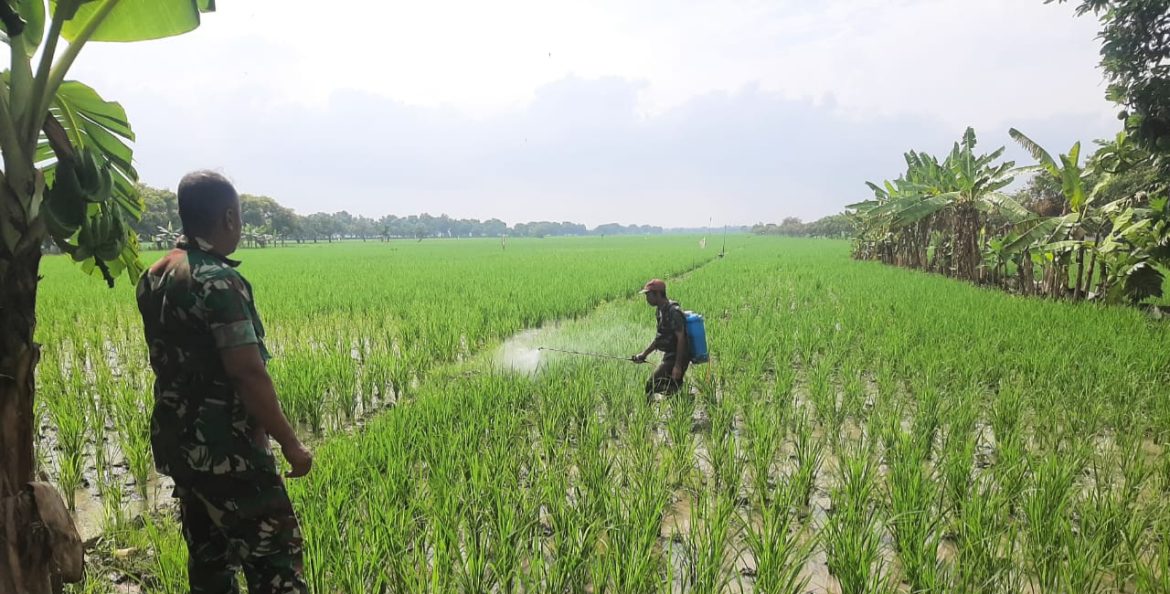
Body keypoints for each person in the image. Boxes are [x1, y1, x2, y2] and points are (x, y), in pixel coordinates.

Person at [136, 170, 312, 594]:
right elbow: (247, 371)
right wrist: (291, 443)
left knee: (210, 560)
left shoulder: (154, 275)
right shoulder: (218, 279)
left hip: (180, 446)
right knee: (276, 563)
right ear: (230, 217)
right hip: (227, 450)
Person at [631, 278, 690, 399]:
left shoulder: (673, 312)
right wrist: (643, 354)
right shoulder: (660, 311)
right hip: (670, 355)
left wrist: (678, 365)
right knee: (671, 385)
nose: (647, 298)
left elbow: (681, 338)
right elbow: (659, 338)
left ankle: (683, 397)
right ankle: (682, 399)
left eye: (648, 295)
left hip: (678, 356)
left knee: (650, 385)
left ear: (658, 294)